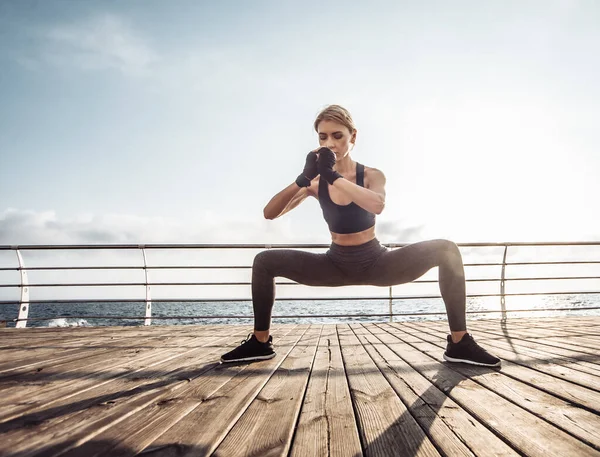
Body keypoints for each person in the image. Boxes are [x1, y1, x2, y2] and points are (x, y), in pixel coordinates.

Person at [221, 105, 501, 367]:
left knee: (446, 249)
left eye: (337, 135)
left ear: (353, 136)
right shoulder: (315, 183)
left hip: (377, 263)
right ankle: (260, 343)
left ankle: (459, 343)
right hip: (334, 264)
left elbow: (376, 204)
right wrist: (302, 180)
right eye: (323, 137)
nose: (330, 143)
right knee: (264, 261)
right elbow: (270, 213)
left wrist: (333, 177)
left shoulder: (371, 175)